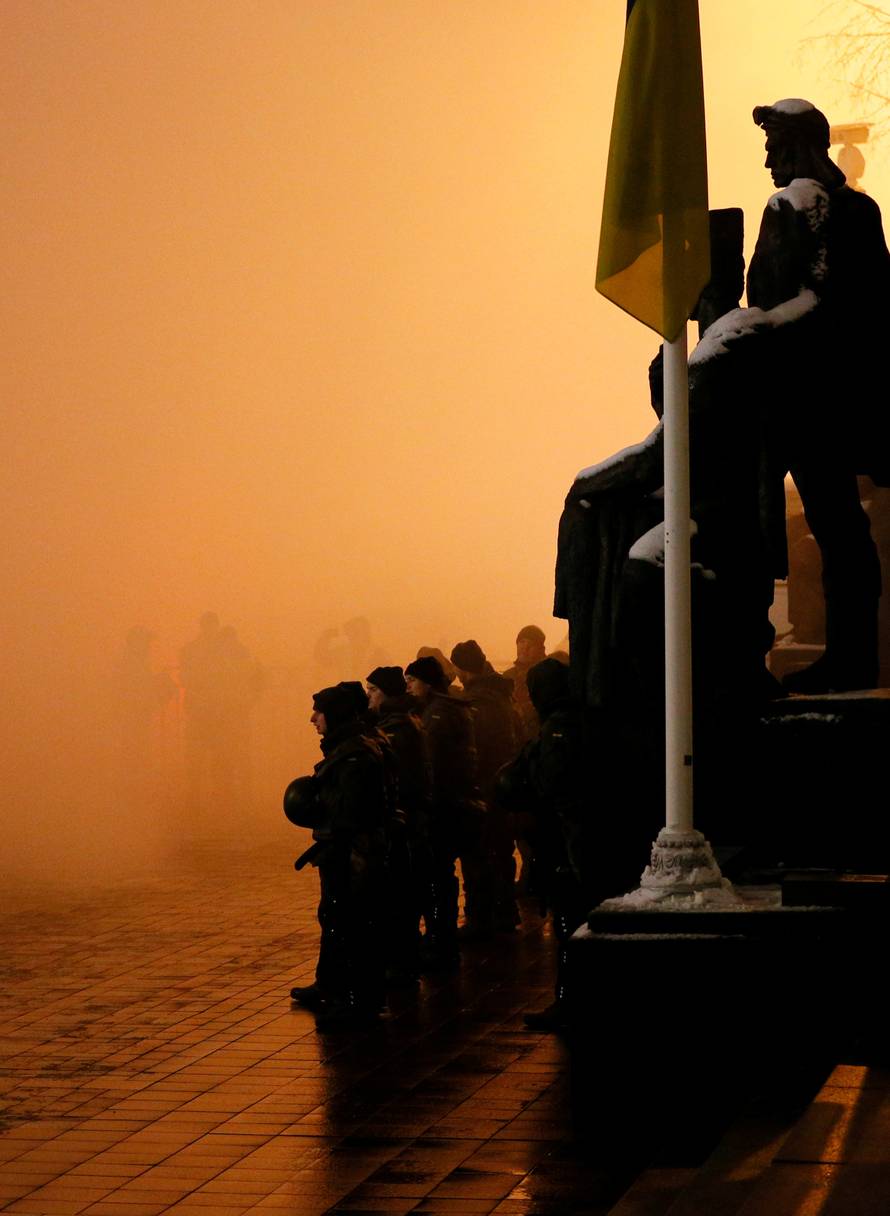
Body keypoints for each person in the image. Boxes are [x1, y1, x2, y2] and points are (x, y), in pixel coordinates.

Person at [748, 99, 890, 692]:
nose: (767, 161)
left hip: (805, 400)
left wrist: (744, 329)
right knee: (842, 535)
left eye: (774, 148)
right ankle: (853, 652)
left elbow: (788, 298)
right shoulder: (861, 208)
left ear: (800, 147)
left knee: (825, 531)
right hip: (844, 396)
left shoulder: (793, 208)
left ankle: (847, 656)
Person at [283, 682, 391, 1029]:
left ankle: (358, 1001)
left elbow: (353, 812)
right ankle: (333, 986)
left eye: (319, 711)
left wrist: (315, 805)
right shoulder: (348, 749)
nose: (312, 718)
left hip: (353, 856)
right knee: (336, 920)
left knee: (354, 926)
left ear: (337, 714)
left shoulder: (355, 756)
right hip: (345, 854)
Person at [404, 655, 480, 968]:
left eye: (412, 681)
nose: (408, 687)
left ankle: (440, 942)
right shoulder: (449, 709)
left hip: (443, 808)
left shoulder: (437, 716)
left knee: (437, 878)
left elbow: (430, 764)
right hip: (453, 804)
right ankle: (441, 939)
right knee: (441, 876)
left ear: (427, 683)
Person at [450, 639, 522, 938]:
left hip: (483, 789)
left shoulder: (476, 704)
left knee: (480, 854)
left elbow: (473, 751)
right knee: (502, 852)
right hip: (503, 786)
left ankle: (483, 916)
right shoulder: (502, 696)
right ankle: (505, 911)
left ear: (462, 669)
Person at [366, 665, 432, 986]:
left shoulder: (398, 728)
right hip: (410, 821)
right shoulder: (402, 721)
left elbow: (398, 782)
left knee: (401, 894)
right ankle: (403, 958)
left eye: (373, 691)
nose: (368, 698)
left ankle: (402, 962)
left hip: (405, 824)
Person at [503, 626, 547, 741]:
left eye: (531, 644)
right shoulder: (508, 676)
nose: (525, 648)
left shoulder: (547, 674)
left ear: (541, 649)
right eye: (522, 642)